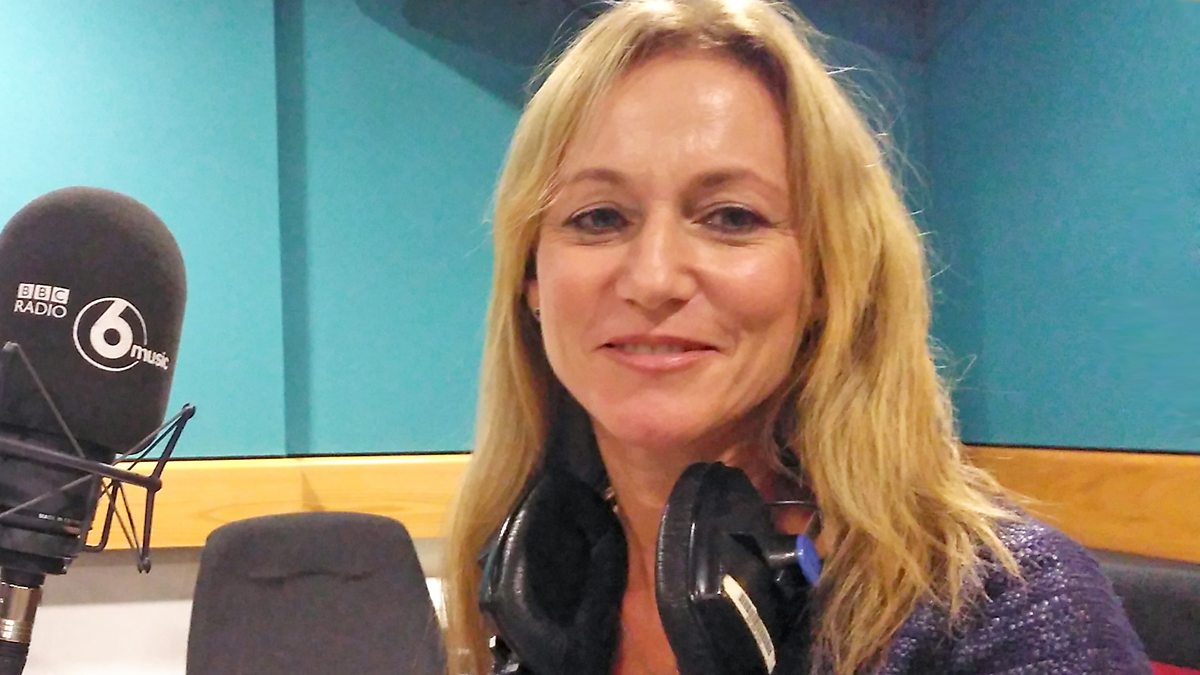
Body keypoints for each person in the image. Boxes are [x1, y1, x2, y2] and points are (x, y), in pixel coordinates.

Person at [443, 1, 1149, 673]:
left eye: (732, 217)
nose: (653, 279)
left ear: (823, 280)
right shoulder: (535, 595)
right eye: (599, 217)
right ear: (532, 281)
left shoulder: (1000, 609)